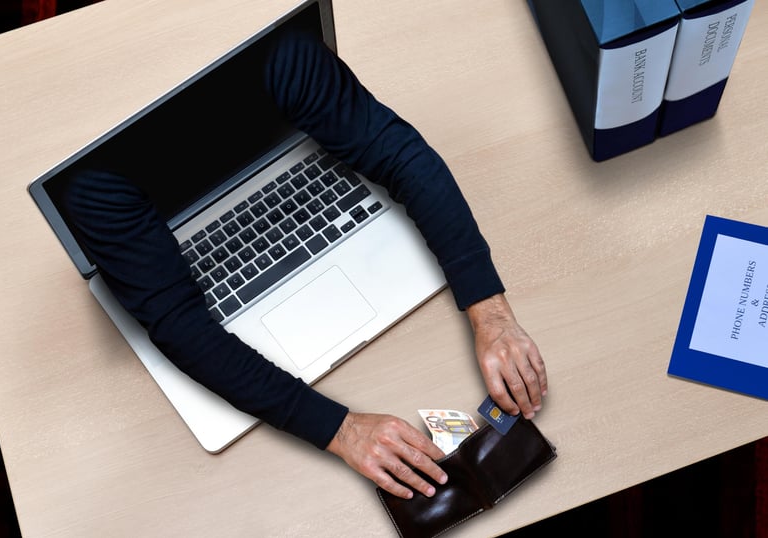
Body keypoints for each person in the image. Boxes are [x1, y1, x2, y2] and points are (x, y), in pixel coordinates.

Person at [64, 29, 547, 501]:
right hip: (136, 219)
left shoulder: (276, 41)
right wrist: (339, 430)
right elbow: (178, 325)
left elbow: (402, 157)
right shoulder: (85, 181)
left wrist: (493, 313)